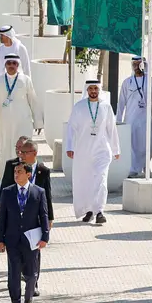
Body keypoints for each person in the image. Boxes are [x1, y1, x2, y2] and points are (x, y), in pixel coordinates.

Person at [0, 161, 50, 303]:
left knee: (31, 274)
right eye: (15, 171)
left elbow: (44, 215)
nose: (16, 174)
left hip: (31, 240)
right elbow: (2, 218)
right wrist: (1, 239)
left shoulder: (38, 192)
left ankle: (28, 299)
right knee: (13, 274)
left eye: (19, 171)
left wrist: (45, 236)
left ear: (28, 174)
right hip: (12, 240)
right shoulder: (7, 192)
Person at [65, 80, 121, 225]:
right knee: (86, 181)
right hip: (83, 151)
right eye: (90, 88)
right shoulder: (79, 107)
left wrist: (116, 149)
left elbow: (112, 129)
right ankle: (89, 210)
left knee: (100, 179)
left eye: (95, 88)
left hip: (102, 150)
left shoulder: (106, 106)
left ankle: (100, 211)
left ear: (99, 89)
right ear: (87, 90)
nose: (93, 91)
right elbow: (71, 127)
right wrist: (70, 147)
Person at [0, 55, 43, 165]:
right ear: (5, 65)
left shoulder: (25, 80)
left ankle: (25, 178)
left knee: (24, 150)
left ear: (18, 65)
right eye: (9, 63)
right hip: (4, 123)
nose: (11, 66)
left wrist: (38, 122)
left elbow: (33, 101)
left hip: (23, 122)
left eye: (14, 63)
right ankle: (5, 180)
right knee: (5, 150)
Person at [116, 56, 152, 177]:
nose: (136, 67)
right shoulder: (127, 82)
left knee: (149, 143)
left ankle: (146, 165)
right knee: (133, 145)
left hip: (146, 119)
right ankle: (133, 168)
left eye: (138, 64)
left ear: (143, 65)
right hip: (131, 119)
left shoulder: (151, 81)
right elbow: (121, 102)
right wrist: (118, 120)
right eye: (134, 64)